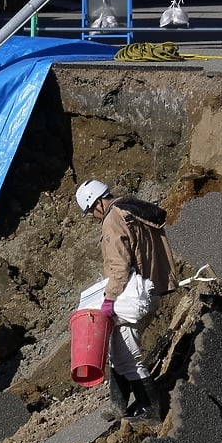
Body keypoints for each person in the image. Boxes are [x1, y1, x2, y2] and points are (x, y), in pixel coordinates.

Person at [75, 179, 178, 423]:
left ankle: (152, 411)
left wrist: (109, 299)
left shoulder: (112, 220)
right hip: (153, 288)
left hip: (134, 296)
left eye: (90, 211)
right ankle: (118, 404)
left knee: (128, 356)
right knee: (117, 351)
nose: (92, 216)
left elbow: (119, 266)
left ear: (97, 203)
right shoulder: (133, 209)